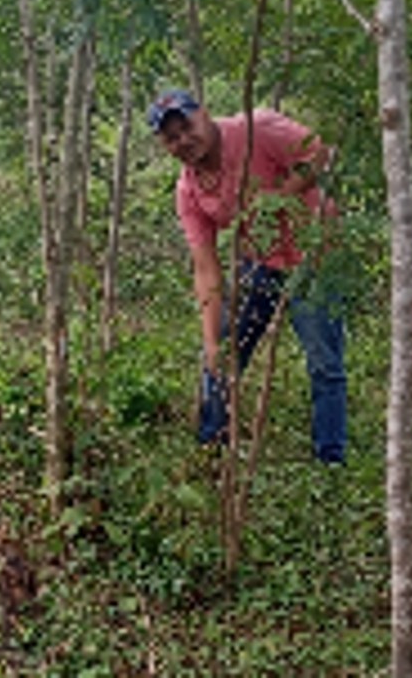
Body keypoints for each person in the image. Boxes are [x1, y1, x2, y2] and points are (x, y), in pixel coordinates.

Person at [148, 89, 347, 465]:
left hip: (315, 256)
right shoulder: (188, 190)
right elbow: (205, 267)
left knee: (324, 363)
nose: (183, 141)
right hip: (259, 262)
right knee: (222, 352)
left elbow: (319, 153)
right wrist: (211, 342)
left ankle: (330, 460)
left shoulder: (257, 129)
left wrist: (277, 199)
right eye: (171, 137)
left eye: (186, 127)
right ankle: (212, 449)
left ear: (204, 114)